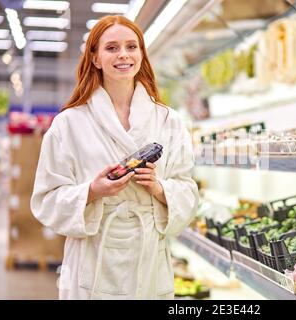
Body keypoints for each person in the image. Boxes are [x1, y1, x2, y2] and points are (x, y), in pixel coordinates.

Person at [30, 15, 199, 300]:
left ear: (141, 55)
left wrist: (159, 188)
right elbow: (45, 199)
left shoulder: (169, 121)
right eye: (111, 48)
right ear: (95, 58)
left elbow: (189, 193)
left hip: (148, 261)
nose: (123, 54)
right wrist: (91, 191)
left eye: (132, 46)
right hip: (93, 260)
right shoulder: (68, 123)